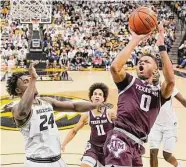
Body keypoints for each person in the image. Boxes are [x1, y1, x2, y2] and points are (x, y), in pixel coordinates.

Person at [6, 62, 111, 167]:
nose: (31, 83)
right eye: (26, 82)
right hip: (37, 162)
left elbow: (74, 107)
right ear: (17, 90)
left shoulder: (46, 101)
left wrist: (95, 105)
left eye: (30, 80)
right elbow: (24, 110)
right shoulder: (16, 108)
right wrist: (33, 79)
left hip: (58, 161)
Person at [103, 23, 175, 167]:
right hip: (120, 137)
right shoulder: (129, 82)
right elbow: (114, 68)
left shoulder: (159, 93)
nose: (141, 62)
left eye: (146, 62)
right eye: (140, 62)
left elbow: (171, 81)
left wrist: (161, 46)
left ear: (155, 70)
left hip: (137, 145)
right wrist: (135, 39)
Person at [61, 83, 116, 167]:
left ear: (103, 99)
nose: (97, 96)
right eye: (95, 94)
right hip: (93, 147)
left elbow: (122, 129)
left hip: (109, 148)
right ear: (91, 97)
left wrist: (117, 120)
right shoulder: (87, 115)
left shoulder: (110, 113)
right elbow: (74, 131)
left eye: (100, 94)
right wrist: (63, 144)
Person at [149, 72, 186, 167]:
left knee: (167, 155)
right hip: (155, 125)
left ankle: (179, 165)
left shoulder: (167, 87)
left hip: (170, 125)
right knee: (153, 153)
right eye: (152, 72)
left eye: (156, 71)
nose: (154, 74)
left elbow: (183, 101)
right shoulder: (145, 88)